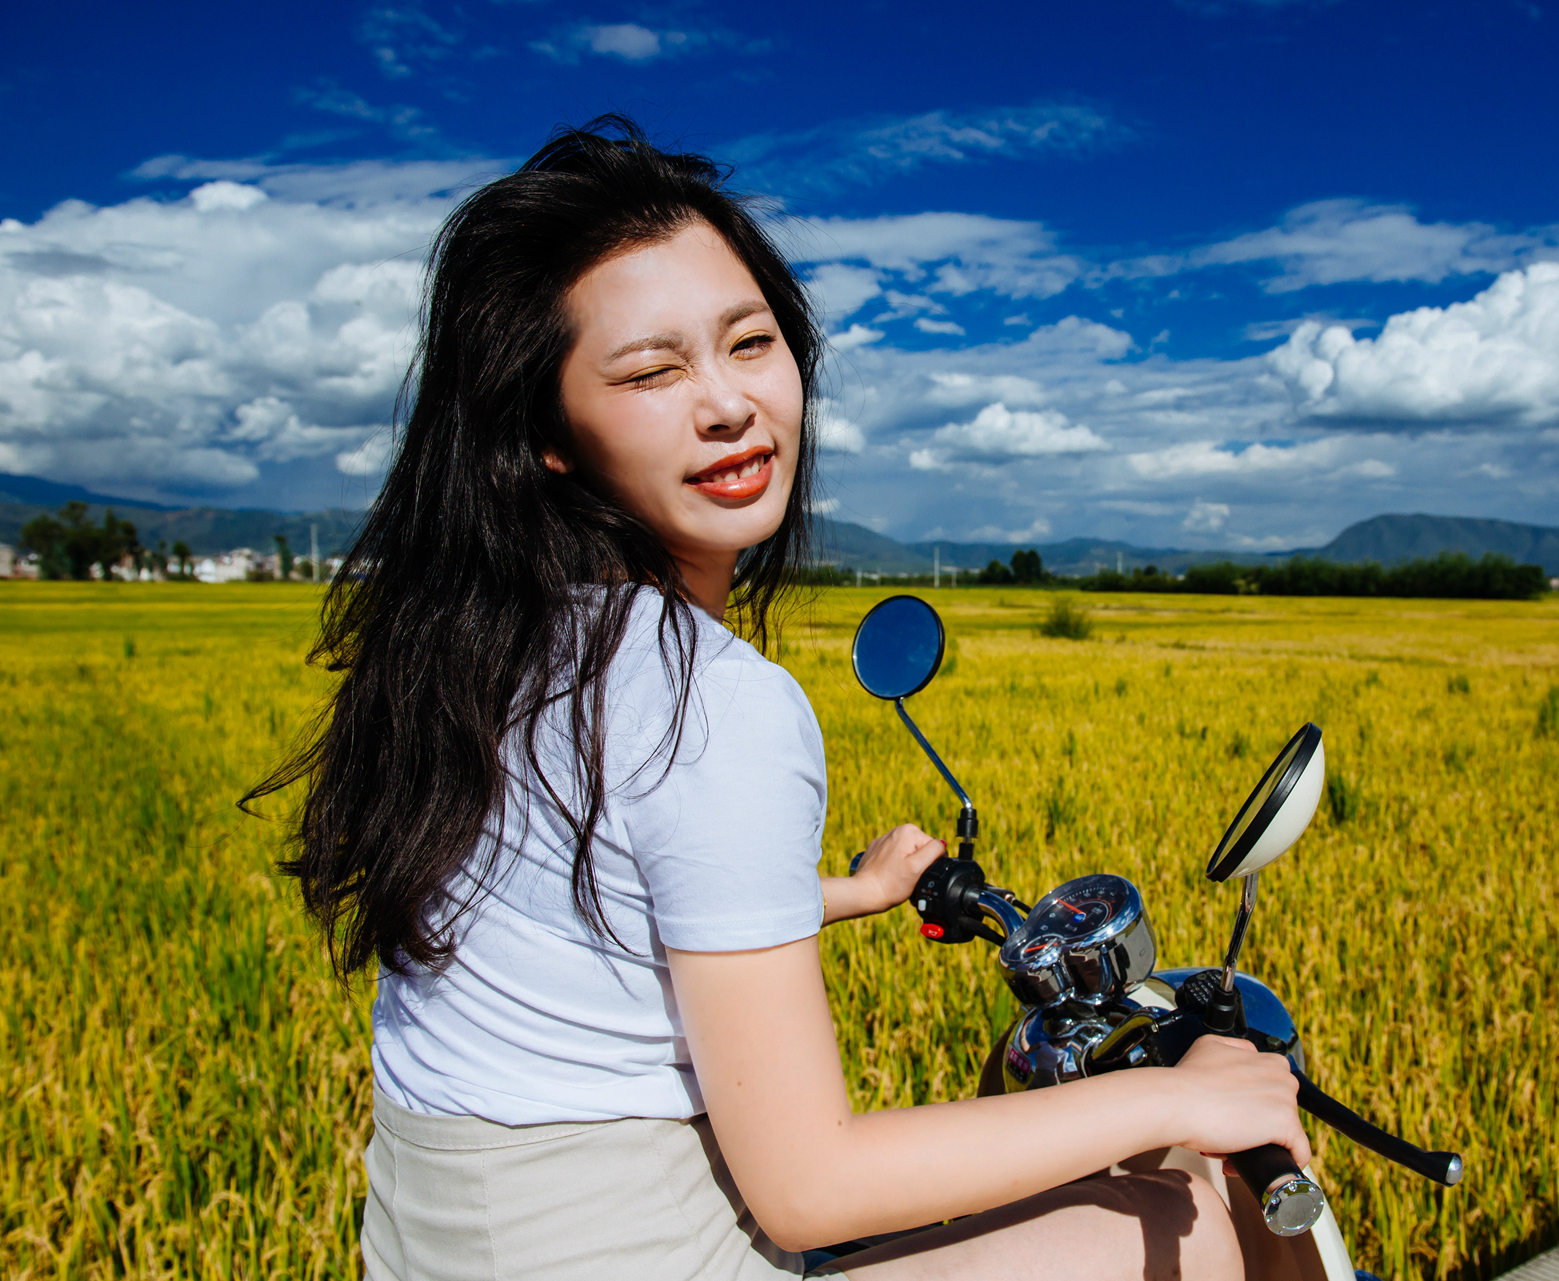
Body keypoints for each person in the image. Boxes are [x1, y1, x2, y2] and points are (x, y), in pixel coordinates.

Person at [255, 116, 1310, 1281]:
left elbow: (598, 918)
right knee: (1193, 1213)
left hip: (434, 1254)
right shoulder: (710, 699)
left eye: (748, 344)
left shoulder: (488, 645)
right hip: (648, 1255)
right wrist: (1177, 1096)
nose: (726, 403)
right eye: (653, 371)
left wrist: (855, 894)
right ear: (547, 433)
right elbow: (812, 1185)